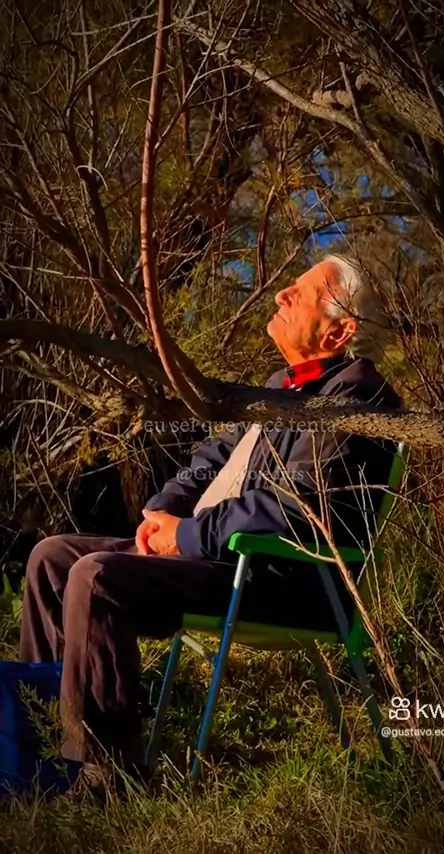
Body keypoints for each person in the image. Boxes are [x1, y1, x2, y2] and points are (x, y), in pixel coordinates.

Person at [18, 254, 401, 795]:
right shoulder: (282, 387)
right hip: (224, 559)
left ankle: (105, 776)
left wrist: (186, 535)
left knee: (97, 576)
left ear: (339, 331)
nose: (281, 295)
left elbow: (298, 509)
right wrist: (161, 514)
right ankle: (33, 747)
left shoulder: (357, 399)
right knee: (52, 558)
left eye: (302, 292)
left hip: (285, 579)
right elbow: (210, 459)